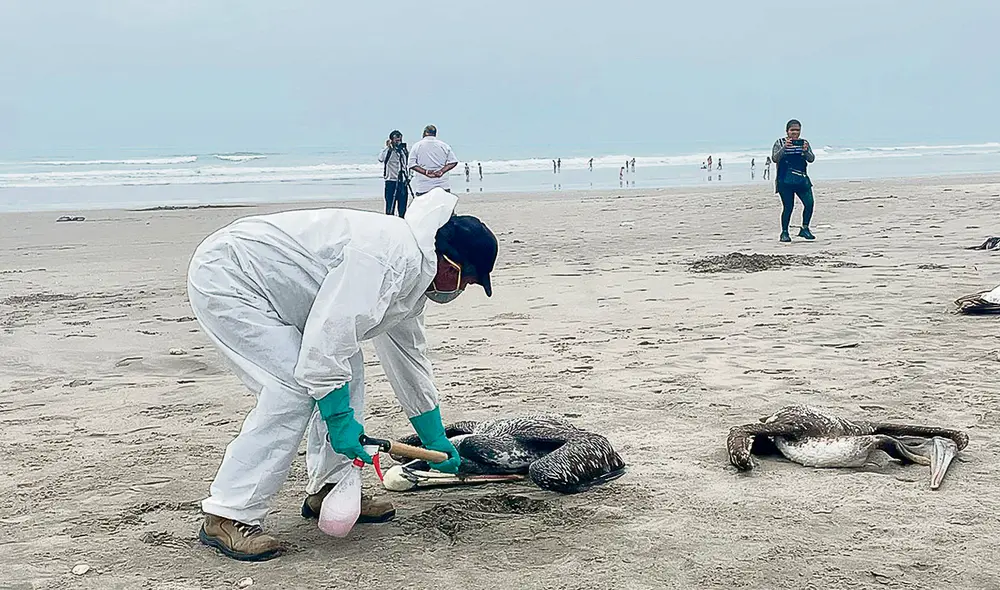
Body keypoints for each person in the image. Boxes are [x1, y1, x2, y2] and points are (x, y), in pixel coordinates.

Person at [187, 189, 499, 561]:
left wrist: (434, 437)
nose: (462, 290)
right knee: (293, 390)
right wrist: (338, 419)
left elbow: (407, 357)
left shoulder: (414, 278)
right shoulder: (389, 260)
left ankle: (330, 489)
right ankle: (226, 514)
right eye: (468, 281)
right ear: (450, 265)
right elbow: (326, 342)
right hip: (232, 278)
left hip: (283, 293)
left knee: (347, 371)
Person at [772, 118, 816, 242]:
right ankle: (784, 232)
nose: (795, 133)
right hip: (784, 180)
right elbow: (775, 158)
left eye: (797, 130)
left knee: (809, 203)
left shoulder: (804, 142)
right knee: (788, 206)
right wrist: (784, 148)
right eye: (792, 130)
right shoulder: (779, 142)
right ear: (787, 131)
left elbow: (811, 159)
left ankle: (805, 228)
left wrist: (806, 151)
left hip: (801, 179)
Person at [408, 125, 458, 197]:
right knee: (443, 207)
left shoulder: (417, 146)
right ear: (435, 134)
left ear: (424, 133)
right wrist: (442, 171)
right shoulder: (444, 145)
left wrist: (426, 172)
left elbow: (411, 164)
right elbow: (453, 161)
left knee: (424, 207)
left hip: (423, 185)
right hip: (442, 184)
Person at [378, 130, 409, 217]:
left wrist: (409, 177)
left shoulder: (403, 151)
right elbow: (380, 158)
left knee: (402, 209)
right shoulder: (387, 151)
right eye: (396, 140)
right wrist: (388, 147)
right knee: (390, 208)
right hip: (391, 181)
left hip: (402, 182)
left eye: (400, 140)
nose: (398, 142)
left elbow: (408, 164)